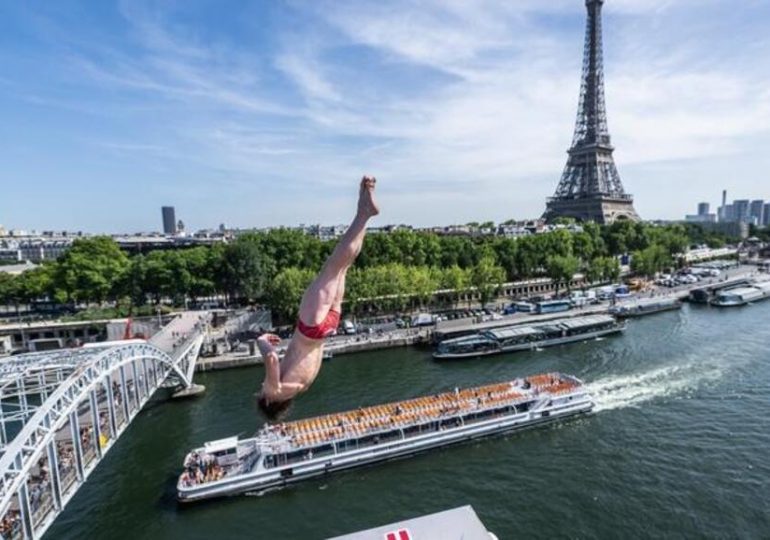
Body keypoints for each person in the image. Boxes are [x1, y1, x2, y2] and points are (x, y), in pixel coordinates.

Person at [257, 176, 380, 418]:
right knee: (334, 265)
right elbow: (271, 358)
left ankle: (364, 212)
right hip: (310, 326)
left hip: (328, 328)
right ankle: (363, 214)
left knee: (344, 267)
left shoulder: (301, 387)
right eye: (260, 392)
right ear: (269, 401)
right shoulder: (275, 390)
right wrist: (261, 342)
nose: (261, 388)